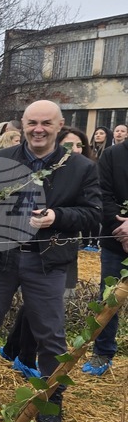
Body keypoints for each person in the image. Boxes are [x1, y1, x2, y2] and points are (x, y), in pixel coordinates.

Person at [0, 101, 101, 422]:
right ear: (22, 124)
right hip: (1, 258)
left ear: (60, 125)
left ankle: (51, 399)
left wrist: (58, 216)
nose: (38, 129)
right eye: (32, 122)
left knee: (51, 333)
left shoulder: (80, 167)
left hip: (47, 261)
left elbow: (93, 214)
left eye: (46, 123)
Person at [0, 127, 94, 377]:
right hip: (29, 250)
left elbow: (91, 212)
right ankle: (23, 354)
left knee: (49, 307)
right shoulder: (40, 172)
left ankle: (16, 350)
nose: (73, 151)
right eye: (67, 146)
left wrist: (59, 217)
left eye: (78, 146)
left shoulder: (84, 171)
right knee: (38, 307)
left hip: (62, 249)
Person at [83, 126, 128, 375]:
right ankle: (103, 352)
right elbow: (102, 195)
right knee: (109, 298)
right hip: (116, 240)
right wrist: (123, 226)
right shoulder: (112, 155)